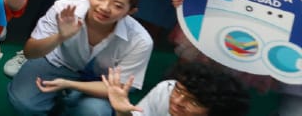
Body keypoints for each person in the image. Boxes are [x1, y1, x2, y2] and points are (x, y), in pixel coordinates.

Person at [8, 0, 153, 116]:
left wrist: (70, 84)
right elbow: (30, 52)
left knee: (96, 112)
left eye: (118, 6)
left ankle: (69, 103)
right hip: (57, 62)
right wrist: (60, 36)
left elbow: (118, 88)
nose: (104, 8)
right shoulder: (63, 8)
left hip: (100, 82)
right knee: (24, 103)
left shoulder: (140, 41)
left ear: (130, 11)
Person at [102, 62, 250, 116]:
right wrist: (123, 112)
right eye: (178, 90)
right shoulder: (166, 89)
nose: (178, 101)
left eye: (194, 102)